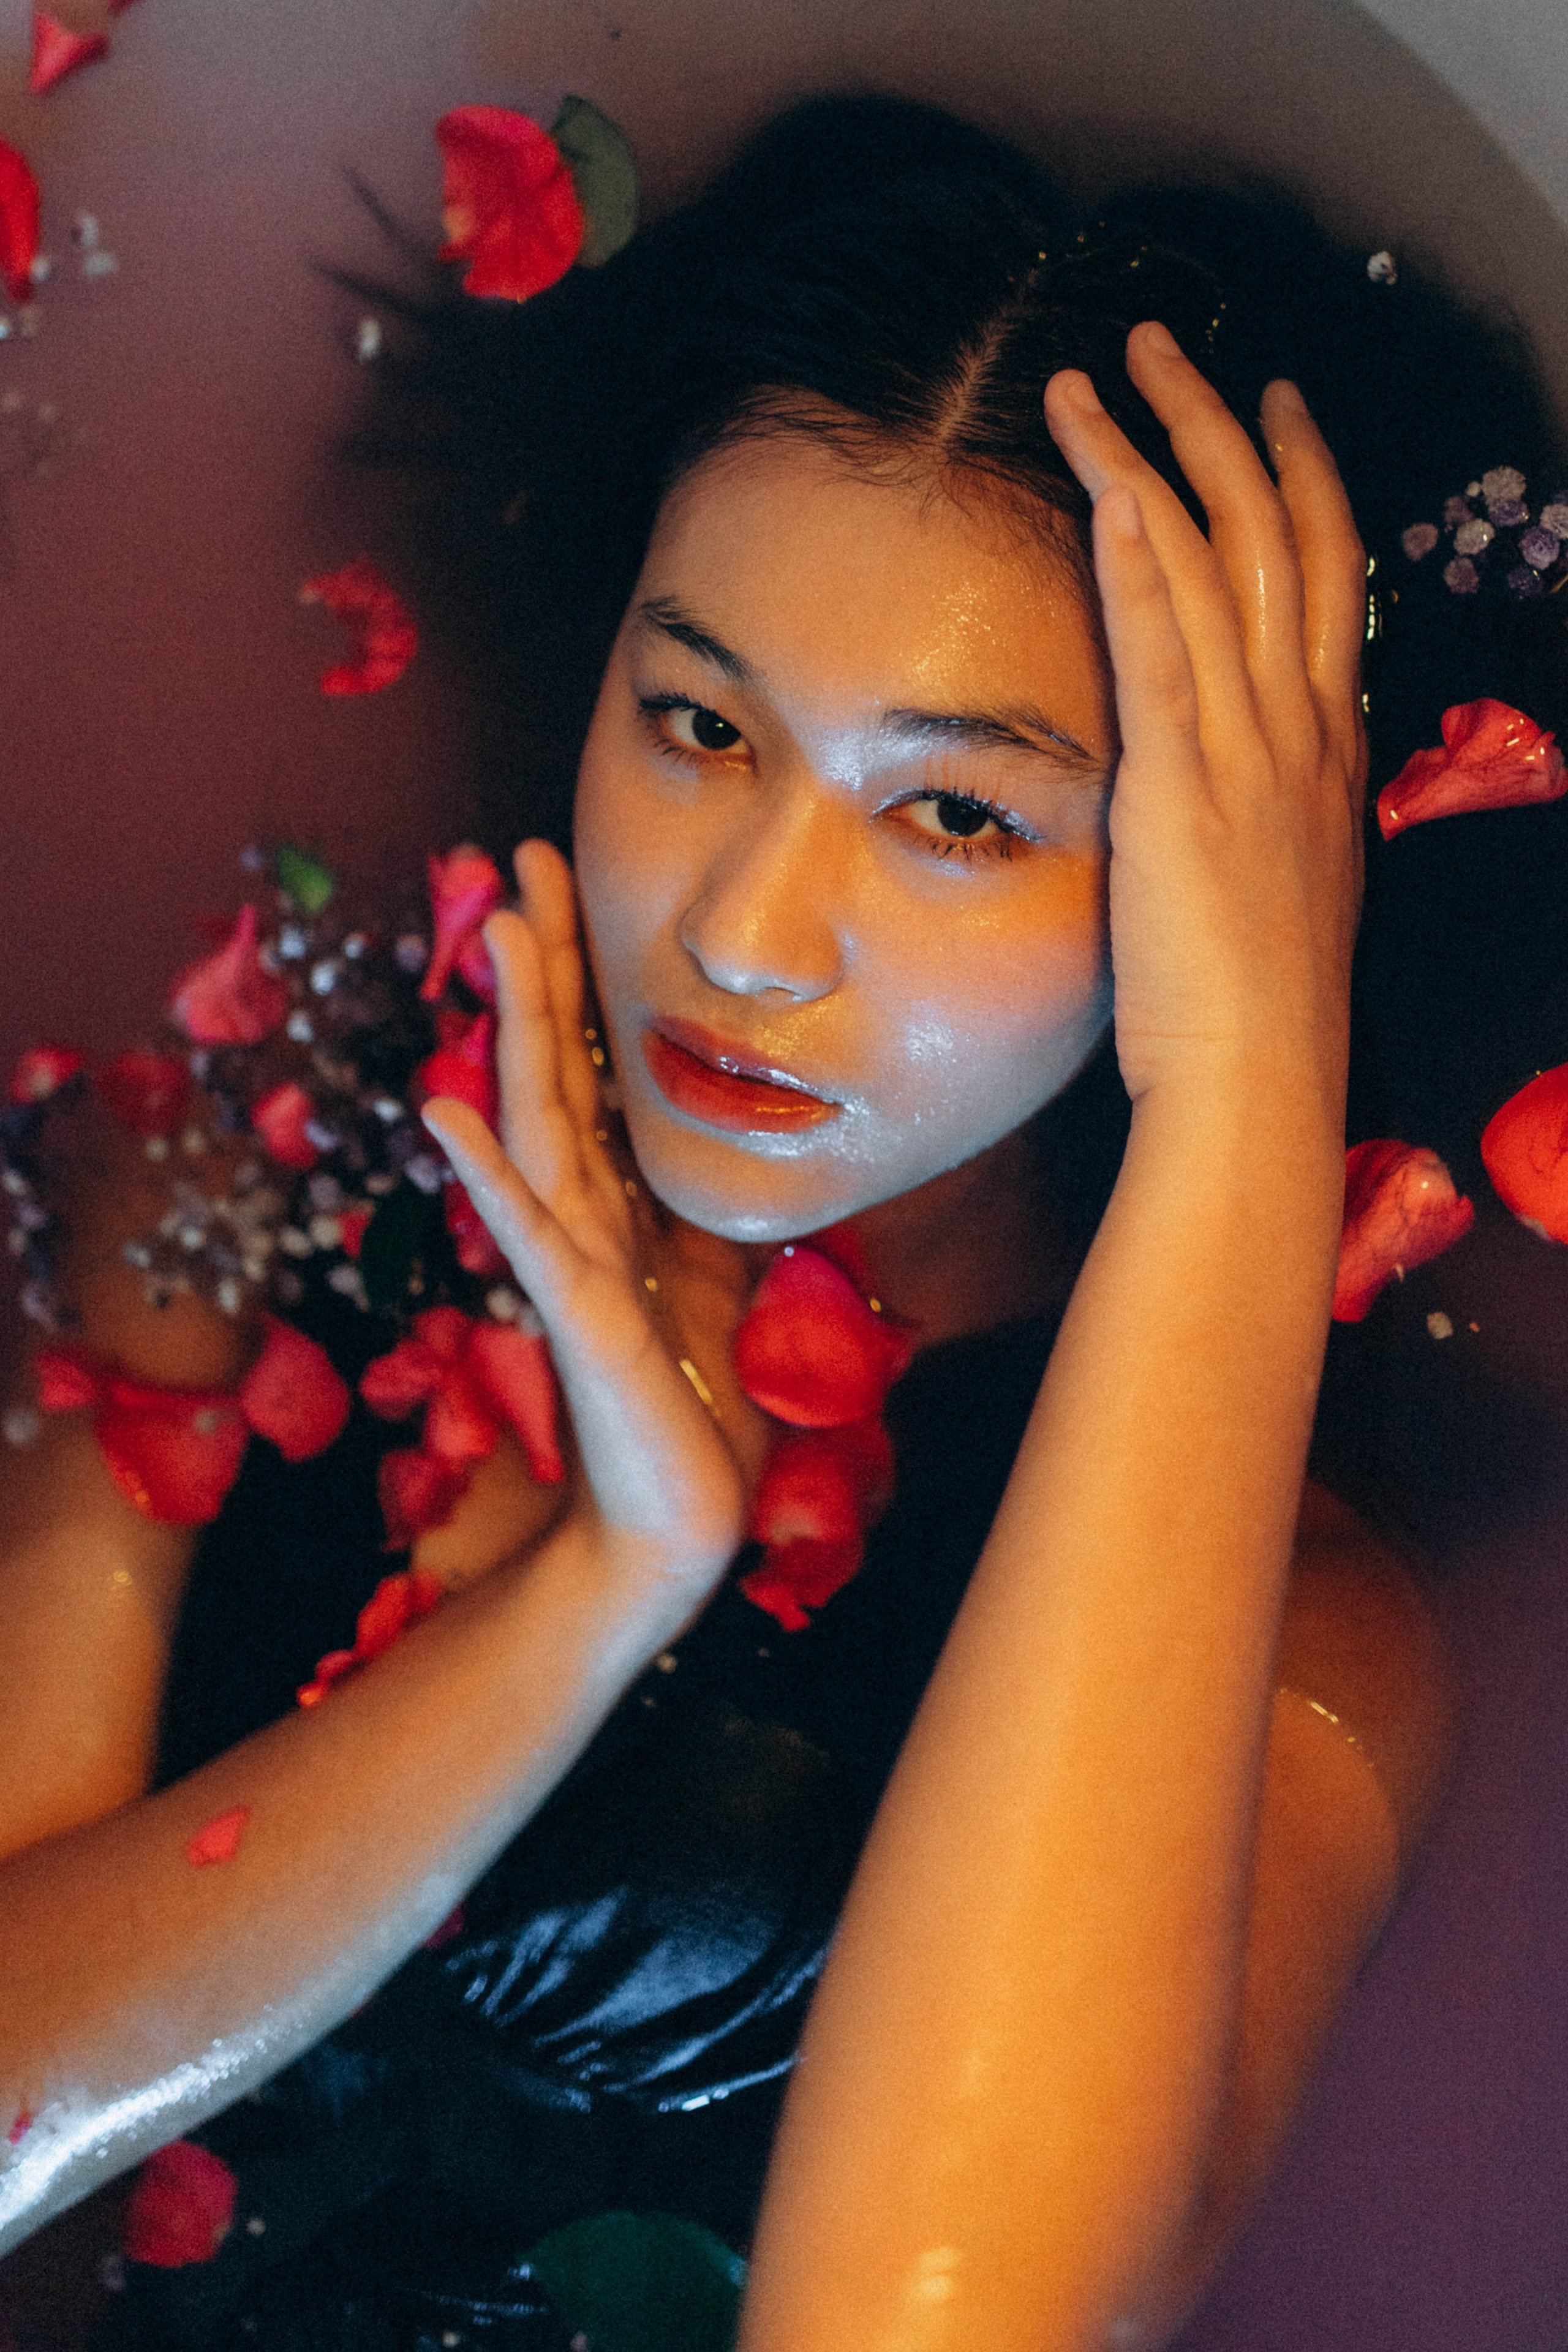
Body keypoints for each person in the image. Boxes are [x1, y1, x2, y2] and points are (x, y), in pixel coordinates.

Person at [4, 89, 1559, 2352]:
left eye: (953, 814)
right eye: (701, 726)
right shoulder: (235, 1197)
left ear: (1211, 897)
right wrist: (600, 1579)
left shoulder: (1310, 1638)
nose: (745, 929)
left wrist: (1244, 1096)